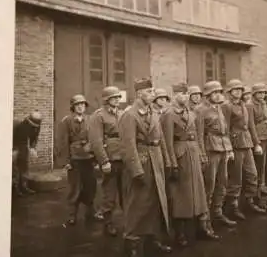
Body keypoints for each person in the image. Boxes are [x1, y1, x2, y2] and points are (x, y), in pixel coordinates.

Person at [161, 82, 219, 246]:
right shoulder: (168, 115)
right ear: (174, 95)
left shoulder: (192, 113)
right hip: (180, 156)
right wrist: (172, 163)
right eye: (181, 94)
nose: (185, 97)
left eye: (186, 94)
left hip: (193, 153)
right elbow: (168, 142)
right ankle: (180, 233)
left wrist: (202, 154)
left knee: (198, 193)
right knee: (181, 195)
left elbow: (199, 136)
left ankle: (202, 228)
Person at [119, 78, 172, 256]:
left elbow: (161, 139)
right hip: (141, 161)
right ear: (140, 93)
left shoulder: (154, 113)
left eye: (152, 91)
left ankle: (152, 240)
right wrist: (136, 170)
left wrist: (167, 161)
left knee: (156, 202)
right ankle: (132, 243)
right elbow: (128, 145)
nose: (153, 94)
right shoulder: (129, 115)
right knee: (138, 203)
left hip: (155, 160)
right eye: (149, 92)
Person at [57, 95, 110, 226]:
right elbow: (63, 142)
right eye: (77, 104)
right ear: (73, 107)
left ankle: (90, 212)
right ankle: (71, 215)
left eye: (83, 104)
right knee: (75, 188)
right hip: (75, 160)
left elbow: (96, 138)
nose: (80, 106)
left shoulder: (90, 119)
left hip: (89, 158)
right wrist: (66, 161)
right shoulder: (67, 121)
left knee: (90, 187)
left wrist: (98, 158)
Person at [221, 79, 266, 220]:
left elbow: (251, 125)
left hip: (247, 143)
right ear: (229, 92)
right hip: (235, 145)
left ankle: (249, 201)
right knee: (236, 177)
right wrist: (229, 149)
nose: (238, 92)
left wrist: (256, 143)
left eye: (240, 90)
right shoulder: (227, 107)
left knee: (252, 174)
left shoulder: (246, 106)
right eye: (235, 90)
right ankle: (233, 206)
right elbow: (225, 129)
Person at [195, 80, 237, 230]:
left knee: (222, 183)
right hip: (210, 150)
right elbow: (199, 135)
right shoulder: (200, 110)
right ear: (208, 95)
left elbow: (225, 131)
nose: (219, 95)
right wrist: (202, 155)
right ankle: (204, 221)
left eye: (220, 92)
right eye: (215, 93)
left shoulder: (220, 108)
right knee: (209, 186)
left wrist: (229, 149)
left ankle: (217, 213)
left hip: (222, 148)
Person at [88, 86, 124, 236]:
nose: (116, 100)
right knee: (109, 194)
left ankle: (129, 224)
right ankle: (108, 224)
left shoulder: (122, 114)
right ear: (106, 100)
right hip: (110, 159)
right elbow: (96, 141)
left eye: (117, 97)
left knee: (126, 193)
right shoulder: (99, 116)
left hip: (123, 158)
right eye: (113, 97)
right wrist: (104, 161)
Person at [12, 110, 42, 197]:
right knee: (16, 168)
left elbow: (35, 137)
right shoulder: (21, 126)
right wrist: (15, 151)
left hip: (24, 145)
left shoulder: (37, 125)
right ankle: (16, 189)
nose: (36, 126)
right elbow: (17, 140)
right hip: (16, 144)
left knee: (24, 165)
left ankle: (24, 187)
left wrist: (33, 148)